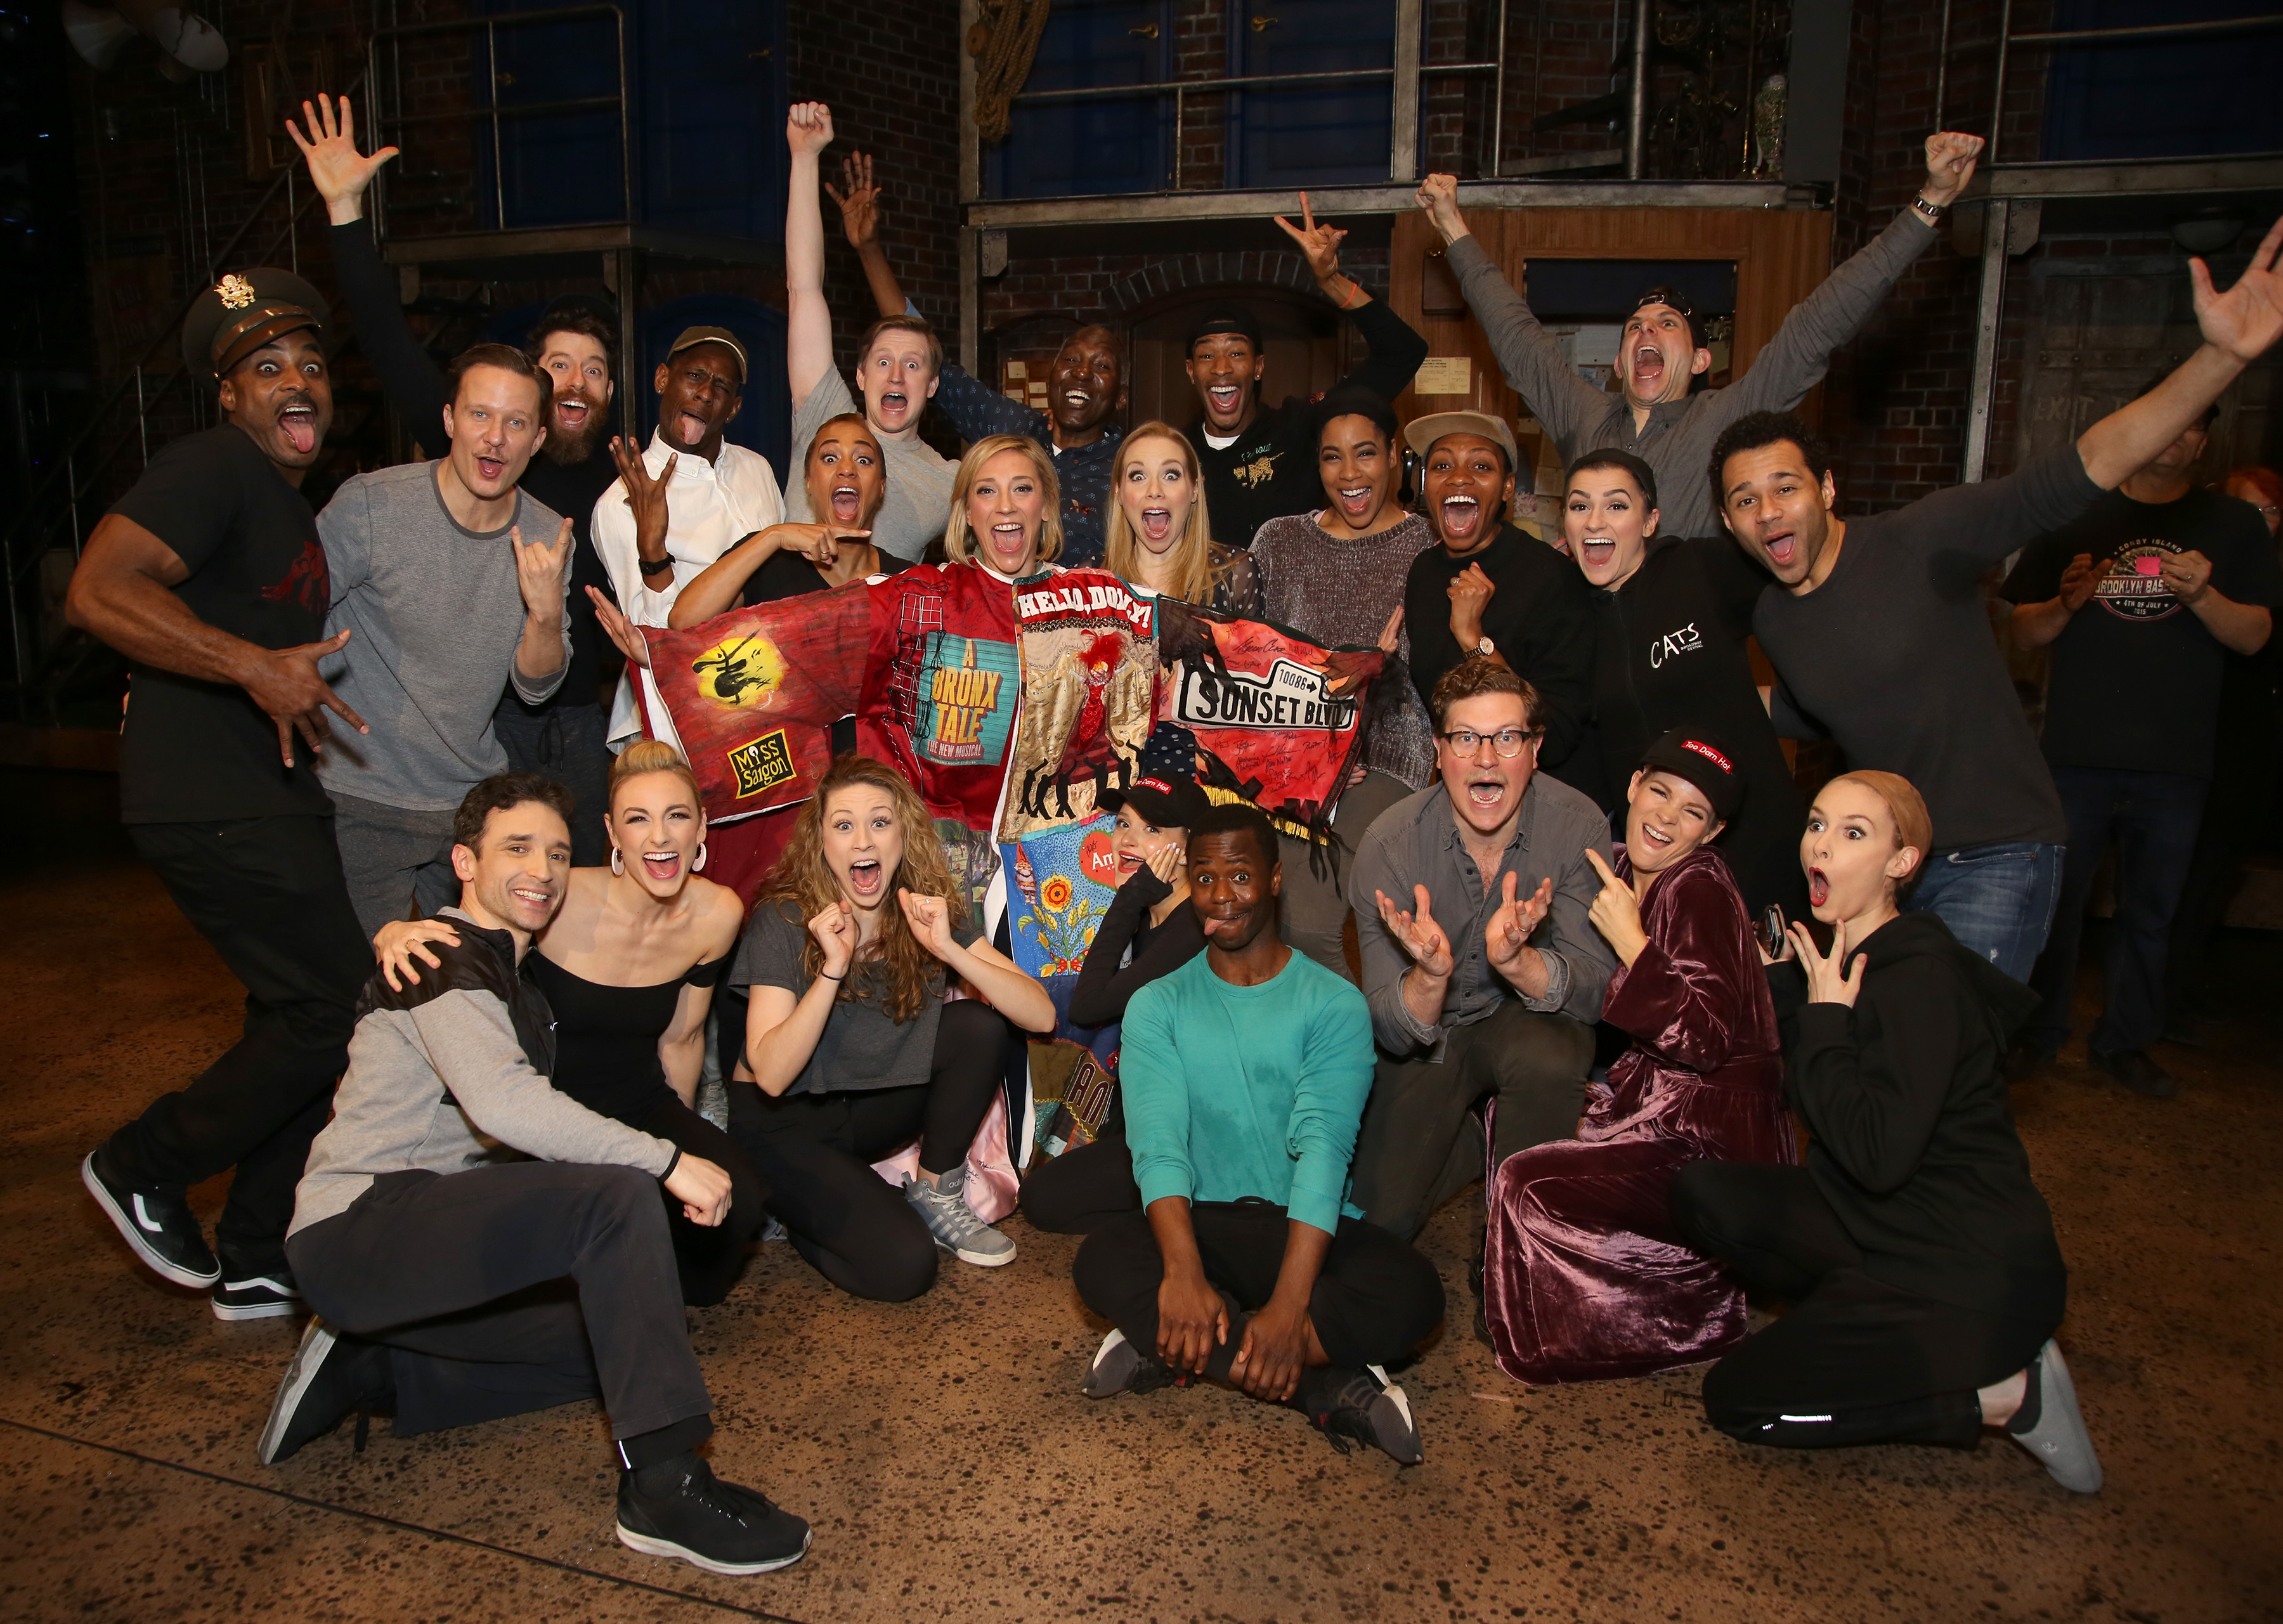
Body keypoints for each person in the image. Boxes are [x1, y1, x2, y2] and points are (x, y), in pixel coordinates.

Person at [260, 772, 814, 1576]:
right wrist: (665, 1158)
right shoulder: (447, 959)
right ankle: (663, 1486)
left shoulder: (511, 973)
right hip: (363, 1224)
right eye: (516, 848)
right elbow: (503, 1103)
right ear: (463, 861)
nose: (544, 868)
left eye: (557, 851)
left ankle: (376, 1366)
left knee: (620, 1343)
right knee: (618, 1196)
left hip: (419, 1233)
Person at [1715, 215, 2283, 977]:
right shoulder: (1776, 615)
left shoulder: (1923, 539)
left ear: (1825, 488)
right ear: (1729, 521)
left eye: (1785, 487)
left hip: (1996, 851)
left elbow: (2083, 466)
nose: (1769, 511)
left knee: (1946, 1060)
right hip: (1887, 869)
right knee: (1892, 1067)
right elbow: (1817, 703)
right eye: (1745, 500)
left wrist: (2221, 358)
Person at [68, 267, 373, 1322]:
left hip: (266, 791)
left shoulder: (279, 505)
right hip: (211, 794)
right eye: (267, 368)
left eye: (313, 365)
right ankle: (146, 1161)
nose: (298, 384)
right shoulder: (210, 467)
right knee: (341, 1008)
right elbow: (99, 589)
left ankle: (254, 1249)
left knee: (298, 1014)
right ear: (228, 395)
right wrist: (252, 665)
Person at [1671, 772, 2102, 1495]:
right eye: (1817, 822)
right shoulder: (1847, 957)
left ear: (1902, 863)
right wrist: (1791, 991)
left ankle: (2002, 1396)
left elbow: (1874, 1153)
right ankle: (1853, 1323)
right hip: (1883, 1224)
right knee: (1704, 1191)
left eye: (1854, 832)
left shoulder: (1917, 980)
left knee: (1739, 1402)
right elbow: (1817, 1086)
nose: (1821, 843)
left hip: (1964, 1272)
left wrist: (1827, 1019)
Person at [290, 94, 620, 866]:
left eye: (595, 368)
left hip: (567, 715)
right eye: (559, 364)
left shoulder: (623, 478)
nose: (576, 378)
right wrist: (344, 210)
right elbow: (382, 332)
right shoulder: (455, 456)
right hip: (481, 730)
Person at [1071, 802, 1446, 1465]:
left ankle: (1182, 1346)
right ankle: (1319, 1382)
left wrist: (1291, 1302)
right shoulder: (1157, 1003)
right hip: (1202, 1227)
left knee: (1416, 1296)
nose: (1221, 896)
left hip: (1299, 1232)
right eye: (1205, 876)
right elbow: (1158, 1146)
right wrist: (1184, 1274)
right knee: (1097, 1261)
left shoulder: (1333, 1003)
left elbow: (1323, 1154)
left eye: (1240, 876)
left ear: (1275, 879)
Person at [1412, 132, 1989, 540]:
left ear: (1698, 360)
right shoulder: (1584, 415)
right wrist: (1453, 227)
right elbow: (1514, 334)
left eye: (1668, 326)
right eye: (1636, 326)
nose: (1648, 331)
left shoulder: (1725, 420)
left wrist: (1928, 204)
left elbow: (1819, 324)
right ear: (1618, 360)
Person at [366, 743, 762, 1306]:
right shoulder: (558, 894)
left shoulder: (718, 914)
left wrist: (681, 1146)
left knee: (737, 1198)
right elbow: (479, 920)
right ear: (612, 833)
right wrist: (395, 930)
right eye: (637, 819)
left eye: (677, 816)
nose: (660, 837)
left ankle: (645, 1285)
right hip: (546, 1111)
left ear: (702, 827)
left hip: (639, 1100)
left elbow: (684, 1036)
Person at [1482, 729, 1795, 1382]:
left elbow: (1706, 1041)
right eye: (1660, 792)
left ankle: (1677, 1306)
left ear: (1713, 833)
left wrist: (1633, 942)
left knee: (1526, 1178)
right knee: (1519, 1109)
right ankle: (1530, 1280)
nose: (1666, 817)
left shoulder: (1699, 887)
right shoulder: (1617, 863)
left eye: (1693, 813)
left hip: (1711, 1137)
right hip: (1651, 1098)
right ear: (1632, 785)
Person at [2004, 394, 2279, 1095]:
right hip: (2076, 756)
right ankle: (2039, 1036)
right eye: (2167, 417)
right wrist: (2065, 604)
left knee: (2152, 913)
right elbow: (2024, 631)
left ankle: (2125, 1043)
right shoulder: (2078, 511)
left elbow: (2253, 635)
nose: (2174, 435)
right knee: (2056, 909)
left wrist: (2202, 595)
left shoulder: (2233, 524)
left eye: (2192, 423)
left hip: (2177, 764)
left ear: (2202, 442)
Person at [726, 755, 1057, 1300]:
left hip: (869, 1108)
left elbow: (1039, 1014)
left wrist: (949, 947)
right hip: (784, 1125)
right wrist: (833, 965)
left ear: (903, 835)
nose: (863, 841)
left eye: (880, 822)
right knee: (904, 1268)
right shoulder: (785, 917)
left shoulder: (924, 910)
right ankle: (796, 1208)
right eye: (844, 825)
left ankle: (936, 1193)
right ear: (822, 843)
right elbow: (772, 1076)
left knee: (977, 1025)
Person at [1346, 657, 1617, 1244]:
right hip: (1431, 1037)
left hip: (1524, 1021)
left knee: (1554, 1052)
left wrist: (1520, 962)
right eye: (1467, 738)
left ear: (1536, 748)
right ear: (1438, 752)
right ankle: (1467, 1142)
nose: (1487, 759)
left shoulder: (1578, 826)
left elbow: (1598, 993)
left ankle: (1520, 1249)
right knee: (1376, 1226)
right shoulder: (1389, 845)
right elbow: (1389, 1029)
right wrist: (1427, 976)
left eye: (1507, 738)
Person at [313, 343, 574, 940]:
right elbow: (285, 616)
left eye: (516, 423)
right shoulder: (372, 507)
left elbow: (537, 688)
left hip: (467, 808)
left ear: (537, 441)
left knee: (468, 990)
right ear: (451, 419)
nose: (495, 438)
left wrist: (544, 610)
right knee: (357, 992)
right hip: (359, 796)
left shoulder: (545, 532)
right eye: (480, 415)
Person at [832, 150, 1126, 568]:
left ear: (1122, 397)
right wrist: (869, 250)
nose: (1082, 372)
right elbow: (923, 351)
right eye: (1071, 360)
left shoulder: (1129, 467)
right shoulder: (1013, 428)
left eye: (1101, 366)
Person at [1555, 448, 1804, 919]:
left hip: (1753, 837)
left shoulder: (1700, 568)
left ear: (1650, 522)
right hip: (1657, 854)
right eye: (1579, 505)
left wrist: (1813, 706)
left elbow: (1803, 581)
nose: (1594, 521)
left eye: (1617, 505)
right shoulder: (1569, 616)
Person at [1250, 386, 1438, 978]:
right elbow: (1250, 667)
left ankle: (1348, 1059)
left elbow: (1438, 679)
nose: (1350, 473)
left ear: (1393, 456)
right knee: (1250, 905)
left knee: (1307, 923)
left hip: (1384, 760)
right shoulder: (1278, 542)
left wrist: (1378, 674)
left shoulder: (1426, 545)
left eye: (1366, 453)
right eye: (1333, 457)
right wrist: (1307, 749)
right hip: (1283, 761)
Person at [1022, 733, 1211, 1234]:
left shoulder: (1194, 929)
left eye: (1151, 828)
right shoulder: (1155, 913)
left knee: (1043, 1200)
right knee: (1042, 1192)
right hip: (1150, 1119)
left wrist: (1127, 901)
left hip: (1192, 1140)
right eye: (1122, 824)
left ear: (1190, 849)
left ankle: (1182, 1216)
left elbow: (1089, 1006)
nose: (1126, 841)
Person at [1181, 197, 1429, 549]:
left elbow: (1404, 352)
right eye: (1207, 356)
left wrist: (1330, 281)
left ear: (1259, 367)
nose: (1222, 368)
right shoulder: (1176, 452)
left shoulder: (1299, 426)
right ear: (1191, 371)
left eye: (1237, 353)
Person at [591, 325, 786, 750]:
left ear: (733, 408)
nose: (705, 394)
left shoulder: (758, 470)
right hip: (671, 726)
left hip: (761, 708)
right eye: (694, 376)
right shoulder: (622, 502)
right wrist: (654, 548)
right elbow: (651, 642)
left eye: (722, 386)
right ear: (663, 379)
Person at [784, 103, 955, 561]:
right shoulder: (827, 414)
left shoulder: (949, 479)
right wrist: (804, 158)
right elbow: (803, 290)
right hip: (790, 625)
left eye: (913, 365)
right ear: (860, 377)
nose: (896, 376)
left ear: (933, 385)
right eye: (883, 362)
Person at [1398, 411, 1594, 784]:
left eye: (1481, 466)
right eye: (1441, 465)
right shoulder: (1424, 571)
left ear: (1507, 488)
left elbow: (1553, 739)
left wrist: (1472, 637)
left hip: (1541, 792)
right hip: (1462, 785)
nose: (1458, 477)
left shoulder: (1551, 577)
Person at [2166, 464, 2283, 1036]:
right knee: (2183, 877)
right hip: (2200, 750)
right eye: (2247, 510)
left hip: (2252, 753)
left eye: (2269, 511)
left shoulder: (2267, 582)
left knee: (2214, 877)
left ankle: (2183, 988)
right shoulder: (2193, 582)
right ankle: (2165, 996)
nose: (2259, 524)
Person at [668, 413, 892, 631]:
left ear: (881, 486)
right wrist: (773, 536)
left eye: (863, 460)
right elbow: (684, 621)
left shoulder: (905, 581)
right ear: (809, 482)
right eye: (830, 458)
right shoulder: (769, 561)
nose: (846, 470)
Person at [1102, 423, 1265, 615]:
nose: (1154, 491)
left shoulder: (1235, 575)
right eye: (1138, 477)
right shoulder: (1087, 578)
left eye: (1171, 476)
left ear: (1194, 489)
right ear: (1118, 491)